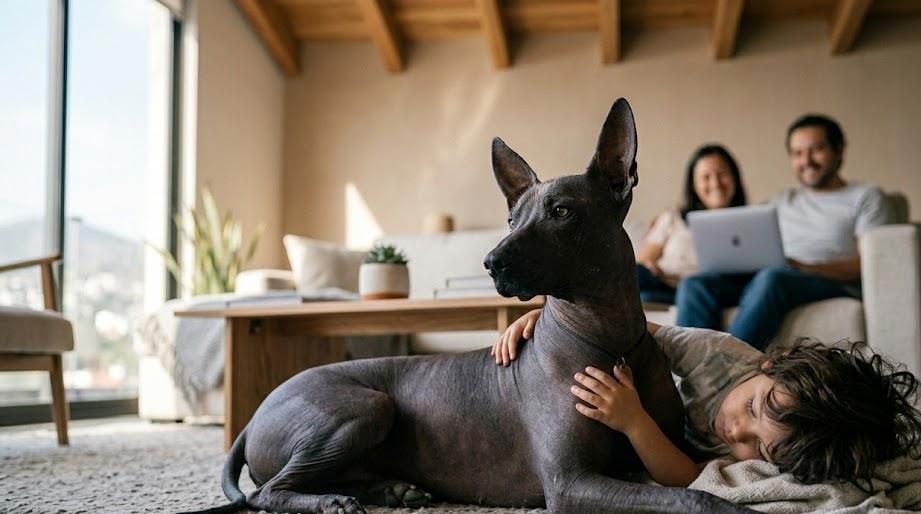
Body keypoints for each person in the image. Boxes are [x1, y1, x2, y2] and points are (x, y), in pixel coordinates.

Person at [491, 308, 921, 487]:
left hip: (650, 427)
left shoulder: (777, 454)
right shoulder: (718, 353)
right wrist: (548, 322)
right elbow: (636, 333)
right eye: (752, 407)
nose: (737, 431)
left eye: (758, 447)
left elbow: (685, 477)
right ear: (774, 364)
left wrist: (634, 423)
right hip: (649, 389)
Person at [676, 115, 891, 349]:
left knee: (772, 276)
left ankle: (731, 364)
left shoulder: (866, 197)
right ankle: (690, 368)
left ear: (839, 150)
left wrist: (806, 267)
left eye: (816, 149)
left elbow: (872, 264)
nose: (806, 160)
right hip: (773, 278)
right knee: (695, 284)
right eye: (797, 153)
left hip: (827, 282)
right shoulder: (781, 200)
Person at [635, 144, 747, 304]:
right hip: (667, 287)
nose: (715, 183)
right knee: (635, 274)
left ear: (734, 178)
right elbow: (644, 261)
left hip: (707, 289)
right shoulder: (673, 218)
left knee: (690, 288)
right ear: (694, 185)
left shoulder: (748, 223)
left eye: (722, 174)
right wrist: (650, 266)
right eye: (706, 177)